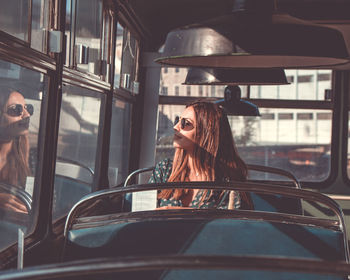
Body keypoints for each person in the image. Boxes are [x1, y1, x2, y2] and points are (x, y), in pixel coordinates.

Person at [149, 100, 253, 210]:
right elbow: (142, 212)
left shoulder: (228, 180)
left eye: (185, 123)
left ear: (205, 132)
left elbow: (234, 224)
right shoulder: (164, 170)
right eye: (177, 120)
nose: (175, 127)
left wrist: (178, 213)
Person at [0, 86, 33, 213]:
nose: (27, 115)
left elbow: (48, 203)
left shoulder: (33, 159)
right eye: (16, 109)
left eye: (28, 108)